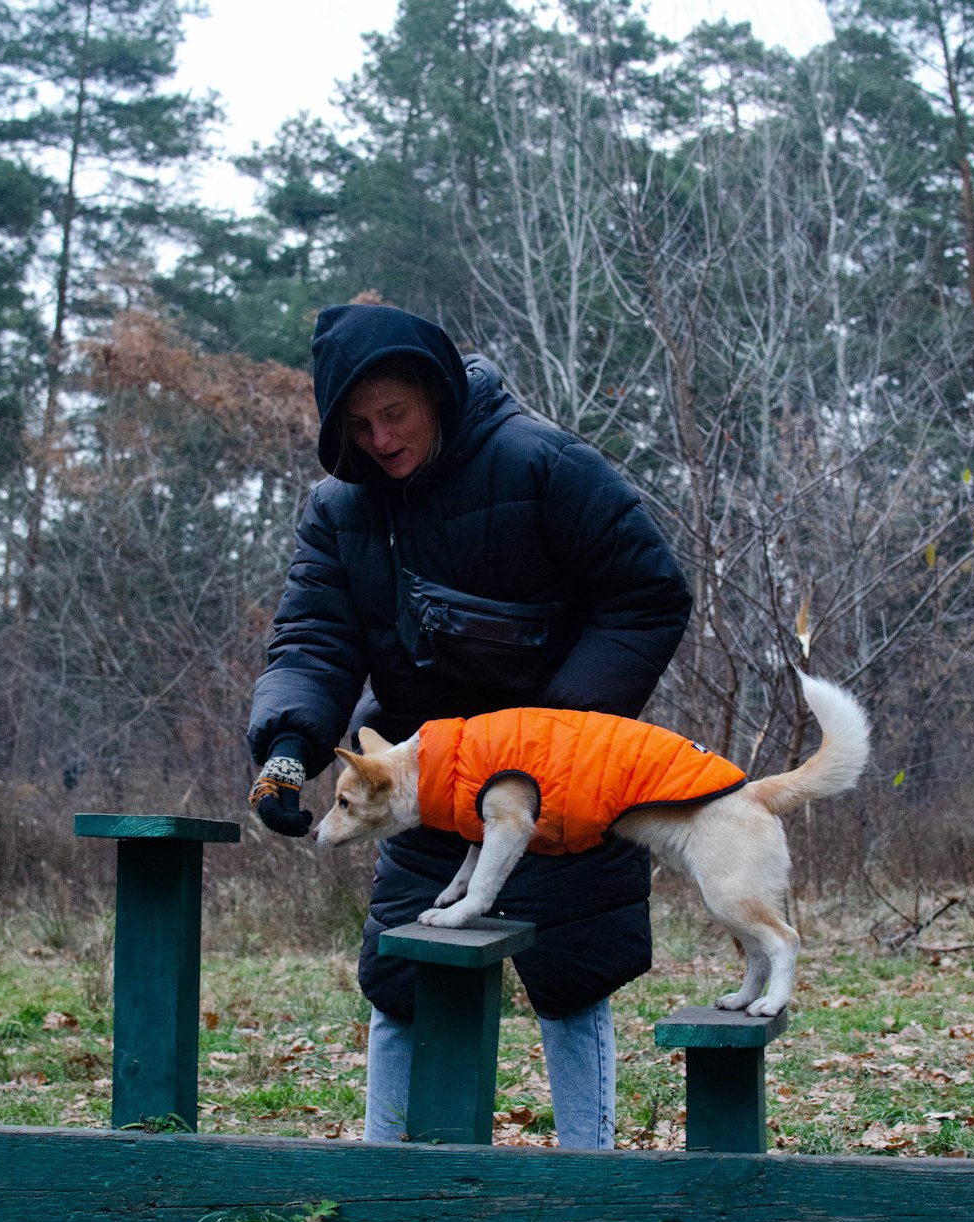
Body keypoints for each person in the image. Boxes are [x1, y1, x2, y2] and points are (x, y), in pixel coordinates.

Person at [247, 303, 691, 1148]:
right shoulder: (339, 510)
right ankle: (390, 1188)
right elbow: (313, 638)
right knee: (402, 983)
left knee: (572, 982)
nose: (380, 438)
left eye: (396, 414)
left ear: (437, 395)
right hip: (418, 781)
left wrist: (561, 738)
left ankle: (585, 1187)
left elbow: (649, 592)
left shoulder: (542, 462)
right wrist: (287, 747)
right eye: (360, 423)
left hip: (556, 786)